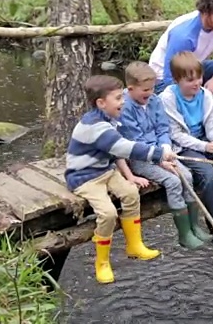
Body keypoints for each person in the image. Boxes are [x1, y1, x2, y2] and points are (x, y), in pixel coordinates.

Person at [64, 75, 164, 284]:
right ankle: (102, 262)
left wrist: (130, 176)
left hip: (105, 171)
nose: (123, 102)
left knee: (130, 193)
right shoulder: (94, 126)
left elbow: (115, 152)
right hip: (85, 177)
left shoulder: (108, 120)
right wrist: (158, 154)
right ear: (101, 103)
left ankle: (134, 245)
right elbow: (123, 148)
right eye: (118, 98)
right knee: (108, 213)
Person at [119, 61, 212, 250]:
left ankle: (194, 226)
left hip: (161, 153)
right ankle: (184, 234)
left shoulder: (154, 100)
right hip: (141, 158)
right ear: (131, 88)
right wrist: (160, 160)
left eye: (153, 88)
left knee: (186, 175)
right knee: (174, 181)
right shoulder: (125, 108)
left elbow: (163, 128)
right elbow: (136, 142)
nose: (150, 93)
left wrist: (166, 148)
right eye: (146, 90)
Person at [159, 51, 213, 255]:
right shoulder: (167, 99)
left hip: (205, 141)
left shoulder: (205, 94)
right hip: (185, 147)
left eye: (199, 77)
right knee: (209, 175)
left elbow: (210, 125)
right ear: (177, 79)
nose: (196, 83)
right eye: (190, 80)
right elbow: (176, 135)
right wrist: (204, 147)